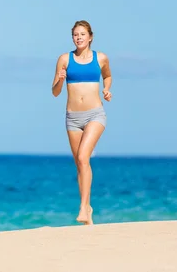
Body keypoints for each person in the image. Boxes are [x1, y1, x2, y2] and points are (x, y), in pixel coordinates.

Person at [51, 20, 112, 226]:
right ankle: (87, 209)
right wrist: (60, 78)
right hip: (73, 118)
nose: (79, 37)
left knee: (83, 156)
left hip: (95, 114)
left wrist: (106, 89)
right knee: (80, 163)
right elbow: (55, 92)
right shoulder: (64, 59)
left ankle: (83, 207)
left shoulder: (100, 58)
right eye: (75, 35)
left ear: (90, 36)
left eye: (82, 34)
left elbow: (108, 76)